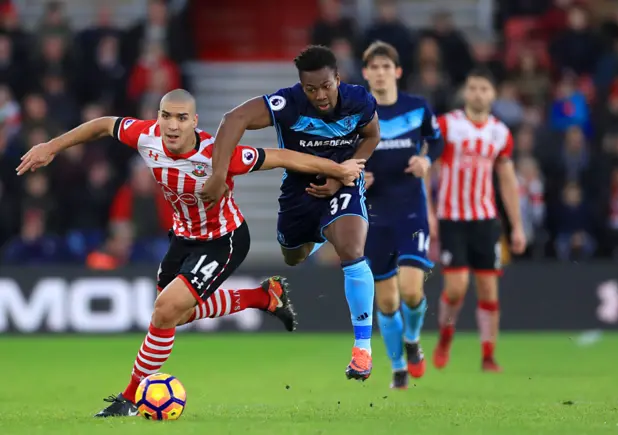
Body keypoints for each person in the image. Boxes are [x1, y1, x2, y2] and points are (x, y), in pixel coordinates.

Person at [16, 89, 366, 417]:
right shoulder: (146, 136)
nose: (172, 125)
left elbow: (280, 157)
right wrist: (52, 145)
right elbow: (104, 125)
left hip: (224, 239)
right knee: (176, 317)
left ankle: (131, 397)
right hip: (183, 238)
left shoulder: (218, 154)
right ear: (158, 117)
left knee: (165, 311)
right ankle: (263, 297)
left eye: (182, 118)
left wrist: (338, 169)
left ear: (194, 122)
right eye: (166, 116)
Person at [199, 46, 381, 381]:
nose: (320, 96)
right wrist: (218, 174)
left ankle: (363, 349)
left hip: (342, 184)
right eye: (311, 89)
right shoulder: (289, 103)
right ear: (301, 86)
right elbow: (233, 119)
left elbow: (371, 136)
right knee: (293, 256)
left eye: (326, 86)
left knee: (353, 251)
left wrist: (348, 169)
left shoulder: (359, 100)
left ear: (337, 79)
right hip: (299, 192)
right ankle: (316, 239)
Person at [429, 68, 526, 372]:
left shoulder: (500, 133)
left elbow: (508, 180)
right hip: (452, 218)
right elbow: (426, 167)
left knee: (488, 289)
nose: (478, 94)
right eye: (473, 88)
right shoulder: (448, 125)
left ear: (493, 94)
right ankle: (445, 335)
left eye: (484, 88)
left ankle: (488, 355)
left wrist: (517, 225)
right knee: (456, 287)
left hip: (485, 220)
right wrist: (428, 211)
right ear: (465, 93)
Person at [360, 41, 443, 389]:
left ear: (397, 71)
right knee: (387, 299)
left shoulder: (417, 107)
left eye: (385, 66)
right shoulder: (356, 115)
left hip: (411, 209)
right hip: (375, 213)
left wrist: (426, 160)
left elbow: (436, 140)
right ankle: (398, 368)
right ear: (365, 74)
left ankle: (411, 341)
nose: (379, 73)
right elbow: (342, 157)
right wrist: (356, 176)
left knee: (411, 291)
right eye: (373, 68)